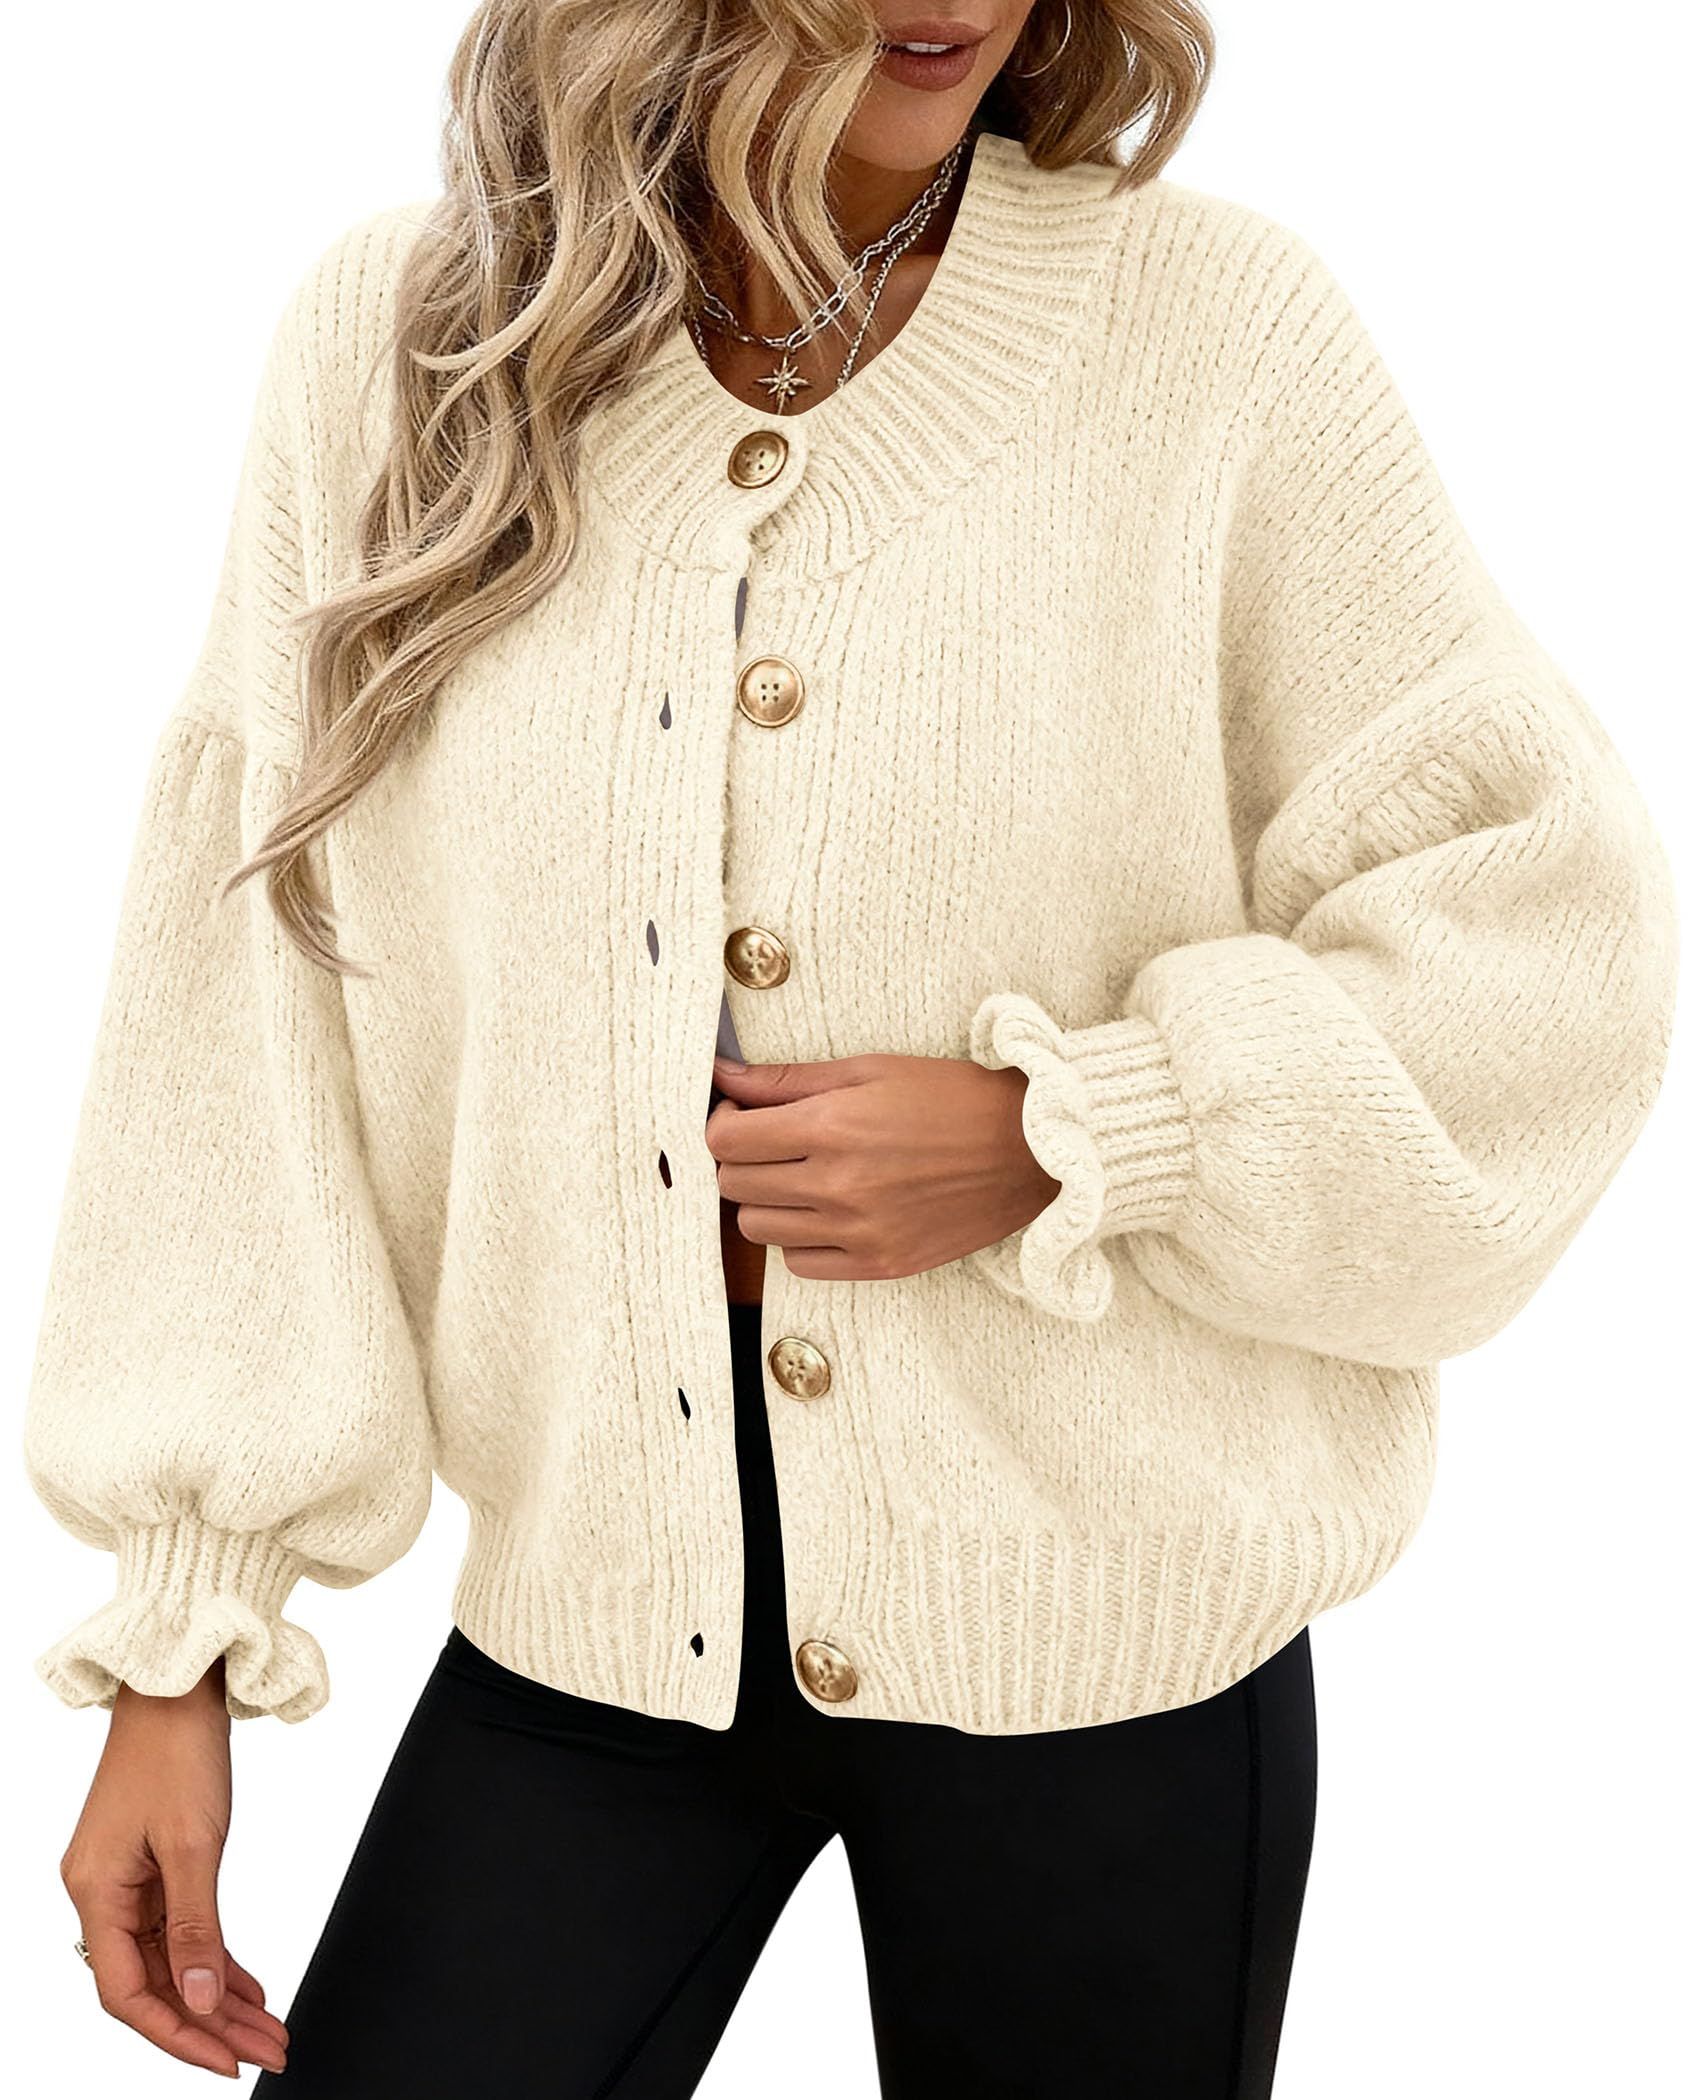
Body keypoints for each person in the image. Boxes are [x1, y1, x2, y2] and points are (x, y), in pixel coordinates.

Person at [23, 3, 1678, 2094]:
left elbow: (1544, 922)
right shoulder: (409, 352)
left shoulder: (1214, 336)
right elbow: (247, 996)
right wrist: (180, 1638)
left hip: (1107, 1635)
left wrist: (1079, 1128)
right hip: (596, 1614)